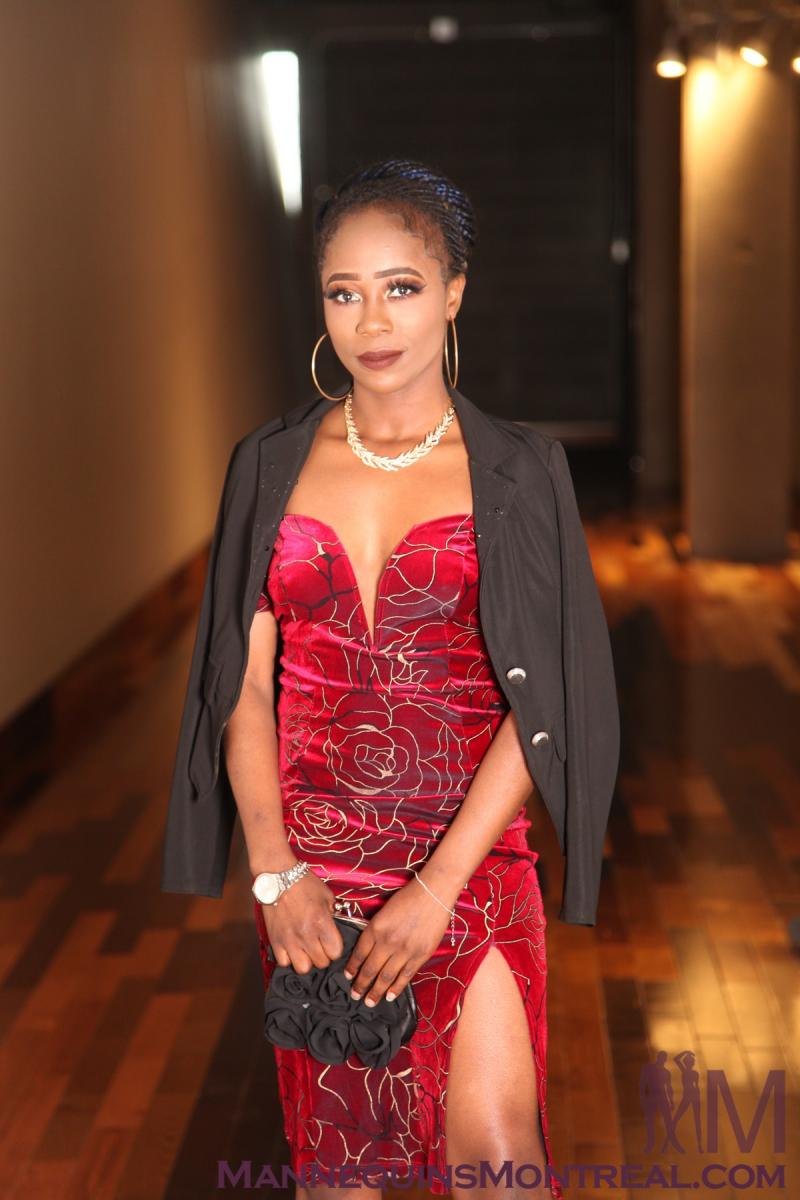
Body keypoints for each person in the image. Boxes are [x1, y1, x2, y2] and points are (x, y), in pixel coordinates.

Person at [201, 158, 606, 1199]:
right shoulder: (266, 465)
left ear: (454, 292)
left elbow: (541, 701)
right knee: (342, 1175)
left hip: (468, 858)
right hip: (314, 878)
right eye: (344, 293)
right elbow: (244, 687)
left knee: (498, 1157)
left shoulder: (519, 471)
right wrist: (274, 873)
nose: (372, 322)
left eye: (402, 286)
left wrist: (435, 889)